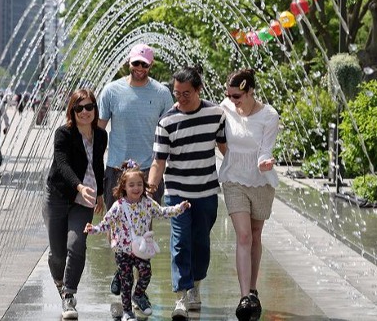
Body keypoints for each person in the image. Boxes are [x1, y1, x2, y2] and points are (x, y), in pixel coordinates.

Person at [147, 66, 227, 319]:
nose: (180, 98)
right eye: (176, 93)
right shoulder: (167, 121)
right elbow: (158, 161)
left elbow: (226, 148)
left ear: (198, 90)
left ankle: (196, 287)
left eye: (186, 93)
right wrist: (149, 189)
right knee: (180, 242)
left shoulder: (216, 114)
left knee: (201, 242)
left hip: (205, 191)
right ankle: (181, 295)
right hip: (177, 192)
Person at [97, 43, 174, 297]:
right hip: (117, 171)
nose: (140, 68)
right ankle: (122, 272)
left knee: (142, 230)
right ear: (128, 63)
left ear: (150, 66)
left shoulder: (162, 93)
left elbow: (169, 132)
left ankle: (138, 286)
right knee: (117, 227)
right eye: (136, 63)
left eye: (145, 64)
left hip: (147, 172)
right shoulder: (111, 91)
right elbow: (99, 131)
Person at [85, 160, 190, 321]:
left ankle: (138, 295)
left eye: (139, 184)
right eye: (132, 185)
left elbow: (162, 212)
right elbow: (106, 223)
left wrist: (179, 208)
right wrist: (94, 229)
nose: (136, 188)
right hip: (123, 251)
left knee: (146, 273)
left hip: (140, 250)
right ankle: (127, 311)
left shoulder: (147, 203)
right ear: (124, 187)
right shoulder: (119, 206)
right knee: (126, 281)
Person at [218, 69, 279, 320]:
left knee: (255, 234)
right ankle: (245, 297)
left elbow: (266, 150)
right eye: (229, 95)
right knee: (243, 235)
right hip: (233, 179)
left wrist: (265, 163)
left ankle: (253, 289)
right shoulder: (226, 108)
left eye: (237, 96)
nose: (232, 100)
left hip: (261, 181)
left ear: (250, 91)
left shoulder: (269, 115)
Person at [43, 88, 107, 319]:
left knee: (76, 244)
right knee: (58, 254)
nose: (84, 112)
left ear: (94, 108)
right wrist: (78, 186)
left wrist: (99, 193)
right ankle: (60, 280)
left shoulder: (100, 135)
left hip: (85, 199)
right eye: (79, 108)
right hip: (59, 195)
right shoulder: (63, 133)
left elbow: (98, 164)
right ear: (72, 110)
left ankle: (69, 295)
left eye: (89, 107)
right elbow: (62, 164)